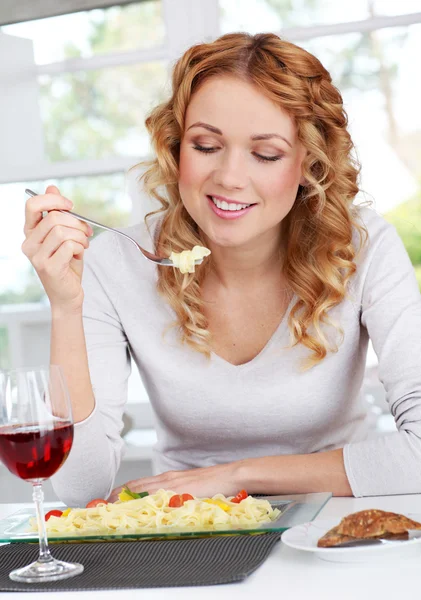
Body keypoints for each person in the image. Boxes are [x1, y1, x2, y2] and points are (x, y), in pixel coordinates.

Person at [22, 32, 421, 507]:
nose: (230, 177)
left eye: (266, 154)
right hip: (184, 535)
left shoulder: (362, 247)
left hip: (334, 522)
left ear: (308, 163)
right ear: (175, 149)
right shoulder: (117, 263)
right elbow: (79, 489)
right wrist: (67, 308)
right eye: (206, 146)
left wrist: (236, 477)